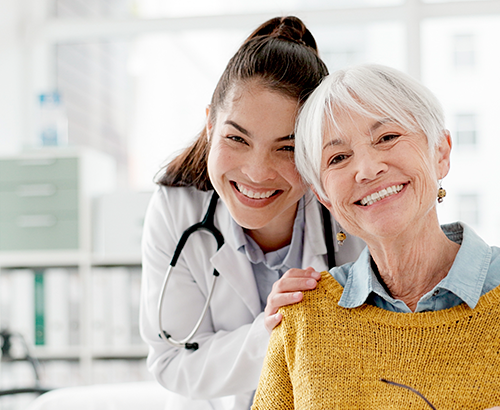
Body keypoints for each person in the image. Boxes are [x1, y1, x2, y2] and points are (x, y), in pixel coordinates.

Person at [251, 64, 500, 409]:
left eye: (388, 137)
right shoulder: (304, 320)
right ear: (324, 195)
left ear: (441, 152)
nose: (367, 168)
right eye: (338, 157)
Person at [139, 17, 364, 410]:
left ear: (315, 147)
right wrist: (274, 330)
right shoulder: (177, 209)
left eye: (288, 148)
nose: (257, 172)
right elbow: (172, 361)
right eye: (237, 138)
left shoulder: (350, 210)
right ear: (210, 124)